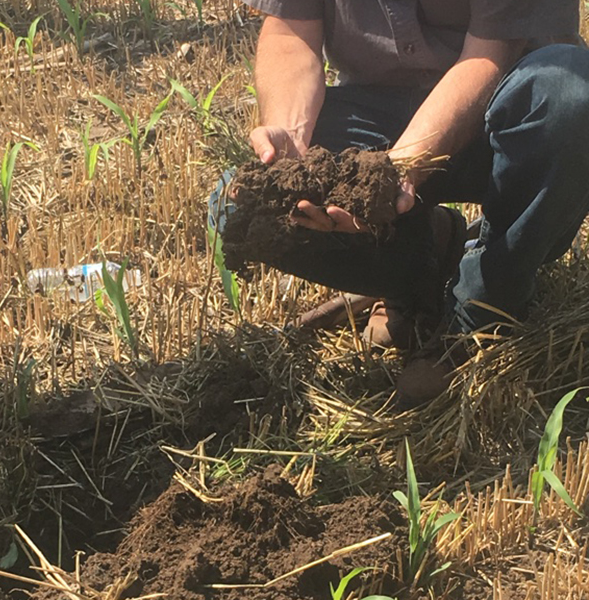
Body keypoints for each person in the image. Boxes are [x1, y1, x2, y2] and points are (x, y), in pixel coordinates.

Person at [210, 0, 589, 406]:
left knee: (570, 95)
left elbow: (487, 55)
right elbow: (291, 31)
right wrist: (291, 146)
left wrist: (398, 170)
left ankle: (479, 313)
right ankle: (421, 263)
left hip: (510, 104)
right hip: (374, 108)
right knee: (244, 205)